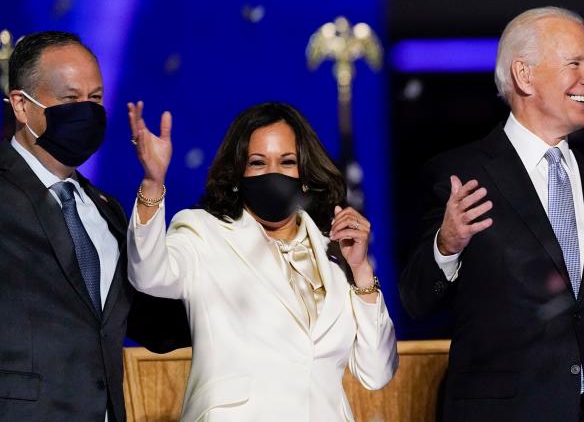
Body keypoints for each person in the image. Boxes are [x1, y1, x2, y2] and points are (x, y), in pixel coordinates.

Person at [400, 6, 584, 422]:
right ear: (524, 75)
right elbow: (415, 300)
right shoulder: (458, 175)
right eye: (574, 63)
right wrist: (445, 247)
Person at [126, 101, 398, 421]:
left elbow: (377, 373)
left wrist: (362, 271)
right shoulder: (204, 232)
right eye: (258, 162)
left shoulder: (334, 253)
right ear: (239, 175)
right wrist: (153, 184)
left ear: (305, 174)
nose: (273, 173)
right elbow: (148, 274)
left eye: (287, 162)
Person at [0, 31, 189, 422]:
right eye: (70, 100)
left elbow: (154, 325)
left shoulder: (105, 210)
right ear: (20, 105)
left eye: (96, 99)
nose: (86, 110)